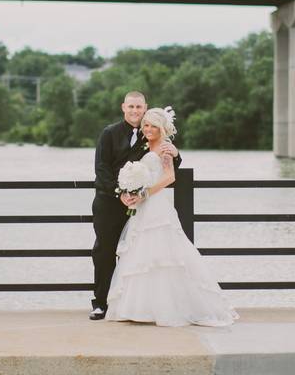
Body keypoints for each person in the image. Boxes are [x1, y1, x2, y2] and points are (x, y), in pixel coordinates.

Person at [106, 107, 237, 327]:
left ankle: (165, 307)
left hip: (155, 204)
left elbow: (169, 177)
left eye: (153, 126)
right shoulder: (147, 145)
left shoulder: (165, 148)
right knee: (143, 254)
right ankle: (141, 307)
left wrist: (145, 193)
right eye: (146, 125)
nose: (148, 129)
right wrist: (133, 186)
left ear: (162, 128)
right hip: (143, 205)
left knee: (163, 255)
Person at [90, 91, 179, 321]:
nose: (135, 111)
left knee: (138, 253)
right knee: (104, 251)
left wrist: (176, 153)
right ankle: (100, 304)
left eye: (139, 107)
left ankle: (131, 305)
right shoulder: (109, 133)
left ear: (145, 107)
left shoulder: (149, 133)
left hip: (141, 205)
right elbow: (101, 168)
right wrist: (119, 193)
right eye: (131, 107)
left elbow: (167, 161)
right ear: (123, 107)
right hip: (109, 202)